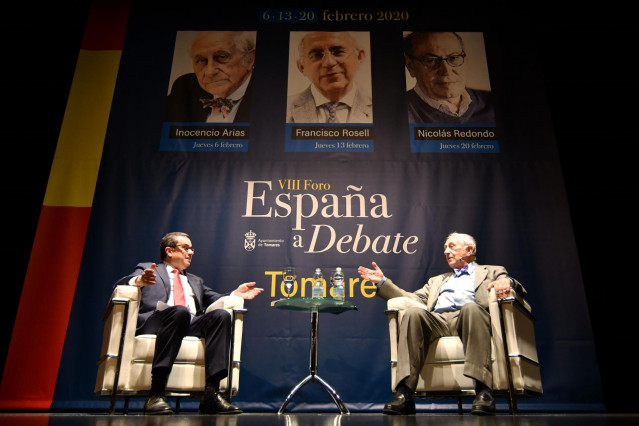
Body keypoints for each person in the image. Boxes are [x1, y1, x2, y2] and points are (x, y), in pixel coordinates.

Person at [357, 232, 525, 416]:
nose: (446, 251)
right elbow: (411, 298)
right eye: (445, 248)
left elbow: (514, 285)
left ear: (469, 249)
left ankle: (484, 392)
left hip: (471, 318)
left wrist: (505, 281)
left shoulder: (491, 271)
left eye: (452, 246)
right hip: (438, 321)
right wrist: (383, 282)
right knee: (413, 313)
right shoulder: (437, 281)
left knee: (471, 308)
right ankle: (405, 394)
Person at [114, 232, 263, 415]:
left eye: (192, 248)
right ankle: (157, 393)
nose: (191, 252)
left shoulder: (195, 281)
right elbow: (121, 284)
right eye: (186, 248)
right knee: (180, 312)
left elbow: (216, 298)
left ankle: (211, 394)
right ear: (169, 251)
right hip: (158, 321)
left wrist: (235, 295)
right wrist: (139, 281)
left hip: (189, 323)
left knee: (221, 315)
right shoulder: (148, 269)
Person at [164, 31, 256, 123]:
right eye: (202, 60)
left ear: (249, 59)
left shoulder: (266, 95)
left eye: (222, 57)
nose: (209, 72)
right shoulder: (185, 88)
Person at [403, 32, 495, 124]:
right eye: (431, 60)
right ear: (411, 66)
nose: (446, 71)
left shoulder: (491, 103)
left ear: (466, 61)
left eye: (454, 58)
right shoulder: (399, 111)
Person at [287, 31, 373, 123]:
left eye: (338, 52)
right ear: (301, 67)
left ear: (359, 57)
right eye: (317, 55)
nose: (329, 62)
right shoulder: (286, 108)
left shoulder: (378, 107)